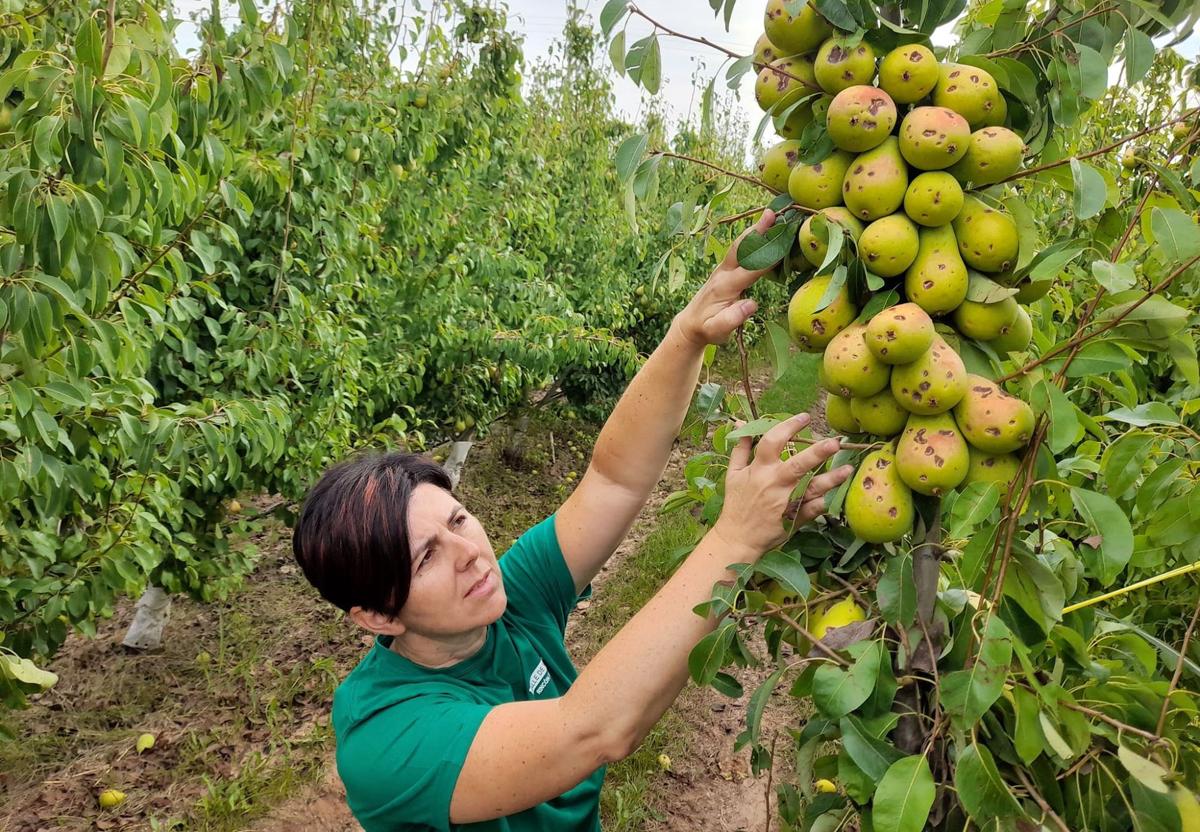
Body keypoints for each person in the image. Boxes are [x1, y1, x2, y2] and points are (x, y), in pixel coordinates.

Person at [292, 210, 854, 831]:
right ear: (376, 616)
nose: (470, 553)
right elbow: (589, 731)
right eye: (426, 557)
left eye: (457, 520)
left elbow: (613, 479)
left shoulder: (508, 598)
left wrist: (688, 334)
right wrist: (738, 536)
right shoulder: (387, 739)